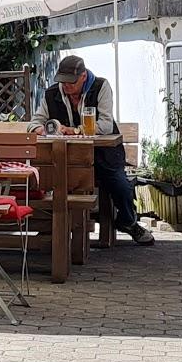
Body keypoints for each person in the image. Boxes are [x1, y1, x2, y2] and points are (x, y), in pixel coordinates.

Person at [30, 54, 153, 245]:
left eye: (71, 82)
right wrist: (42, 129)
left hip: (104, 155)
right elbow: (34, 123)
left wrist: (76, 130)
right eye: (63, 81)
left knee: (120, 185)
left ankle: (128, 222)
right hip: (68, 160)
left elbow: (105, 124)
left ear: (83, 77)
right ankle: (51, 228)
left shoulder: (101, 87)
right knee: (47, 181)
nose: (66, 86)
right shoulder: (51, 94)